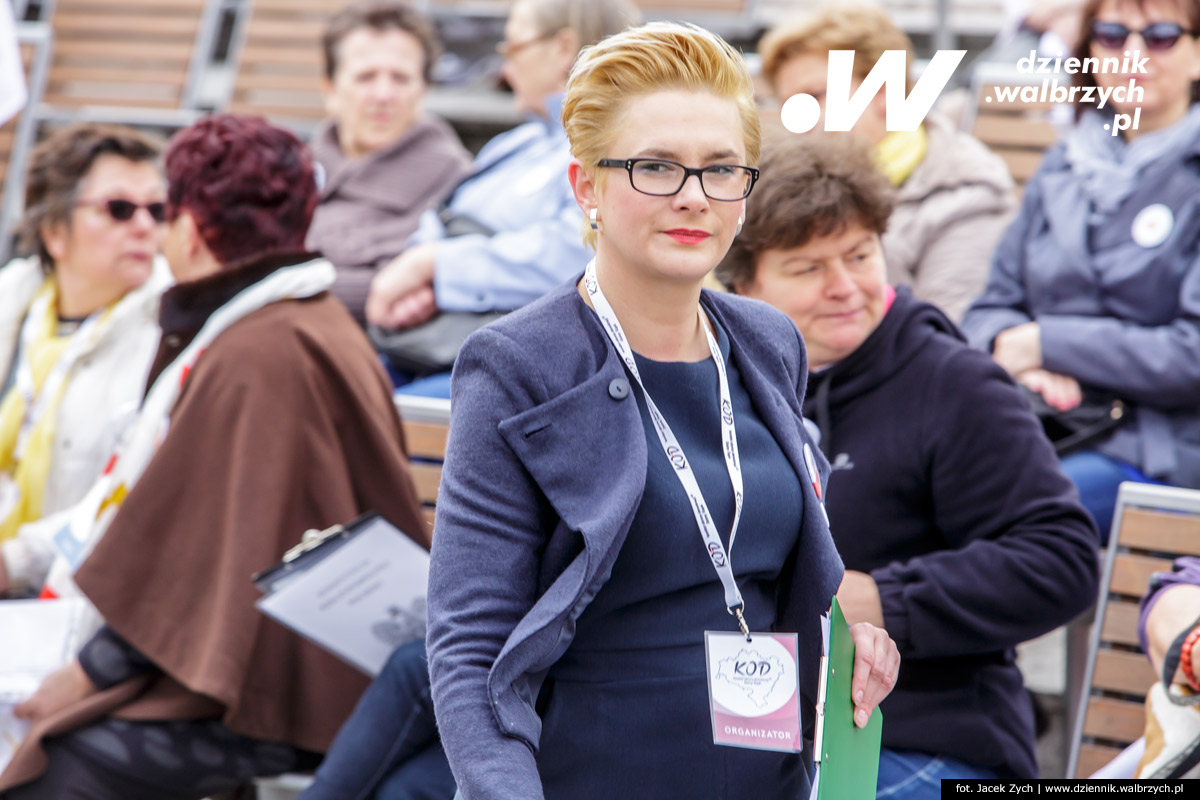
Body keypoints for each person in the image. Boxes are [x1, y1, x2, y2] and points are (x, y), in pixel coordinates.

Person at [425, 22, 900, 800]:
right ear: (587, 188)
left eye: (721, 170)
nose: (692, 196)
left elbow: (783, 567)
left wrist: (848, 638)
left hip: (769, 775)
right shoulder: (517, 363)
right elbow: (471, 644)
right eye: (654, 167)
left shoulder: (768, 339)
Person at [0, 114, 429, 800]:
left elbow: (198, 554)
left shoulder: (261, 350)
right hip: (282, 654)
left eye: (165, 210)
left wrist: (85, 676)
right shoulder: (293, 322)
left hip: (292, 683)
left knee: (57, 765)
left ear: (192, 231)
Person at [717, 132, 1099, 794]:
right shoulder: (720, 383)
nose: (844, 288)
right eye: (807, 268)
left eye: (860, 255)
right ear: (744, 282)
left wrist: (882, 599)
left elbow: (1061, 561)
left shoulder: (955, 384)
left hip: (921, 735)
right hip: (757, 726)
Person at [961, 0, 1200, 541]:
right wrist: (1016, 353)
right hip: (1044, 420)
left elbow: (1192, 352)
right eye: (1113, 35)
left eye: (1161, 36)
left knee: (1006, 516)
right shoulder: (1065, 163)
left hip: (1157, 445)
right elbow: (988, 307)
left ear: (1196, 56)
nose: (1133, 54)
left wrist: (1050, 343)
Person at [363, 0, 641, 395]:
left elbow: (580, 250)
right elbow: (442, 211)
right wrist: (421, 279)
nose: (503, 67)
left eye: (512, 48)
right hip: (431, 344)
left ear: (563, 47)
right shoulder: (515, 144)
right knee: (324, 399)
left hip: (516, 366)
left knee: (367, 422)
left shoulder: (611, 153)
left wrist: (437, 268)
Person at [758, 4, 1017, 322]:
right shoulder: (786, 187)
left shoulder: (969, 196)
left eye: (814, 98)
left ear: (884, 93)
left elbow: (948, 337)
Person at [0, 123, 171, 598]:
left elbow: (125, 501)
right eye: (118, 209)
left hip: (71, 598)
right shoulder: (13, 303)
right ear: (55, 231)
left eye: (157, 210)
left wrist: (15, 564)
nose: (144, 226)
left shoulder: (169, 338)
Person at [307, 0, 472, 325]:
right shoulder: (288, 171)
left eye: (401, 78)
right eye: (365, 77)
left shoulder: (457, 184)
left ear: (422, 90)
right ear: (330, 90)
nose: (383, 94)